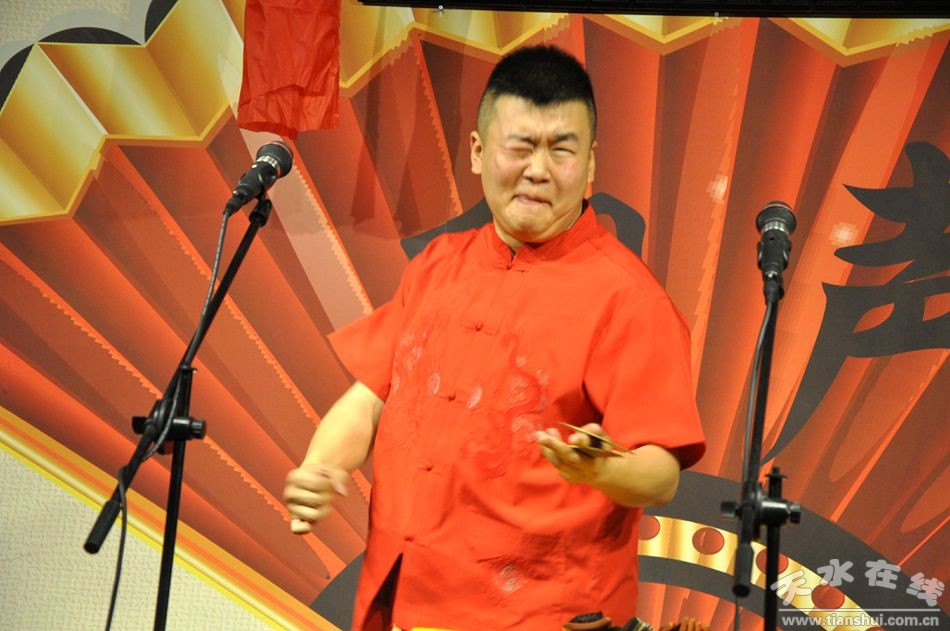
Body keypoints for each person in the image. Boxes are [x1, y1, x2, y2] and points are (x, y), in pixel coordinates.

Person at [283, 45, 705, 630]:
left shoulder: (629, 300)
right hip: (403, 593)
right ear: (479, 152)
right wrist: (320, 466)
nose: (538, 170)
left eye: (561, 149)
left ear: (590, 164)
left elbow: (661, 474)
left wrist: (603, 470)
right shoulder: (438, 263)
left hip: (538, 615)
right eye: (520, 146)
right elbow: (372, 396)